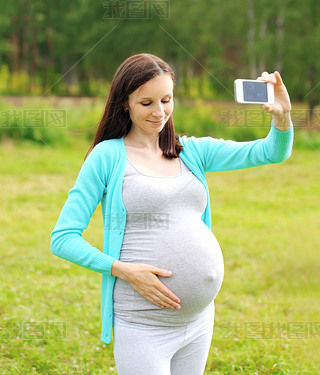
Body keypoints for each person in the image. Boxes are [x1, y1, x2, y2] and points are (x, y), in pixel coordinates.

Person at [50, 53, 294, 375]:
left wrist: (283, 117)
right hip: (142, 323)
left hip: (198, 322)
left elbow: (270, 152)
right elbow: (63, 238)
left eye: (166, 99)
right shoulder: (107, 156)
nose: (159, 111)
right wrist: (123, 270)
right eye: (146, 102)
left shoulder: (190, 150)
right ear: (125, 103)